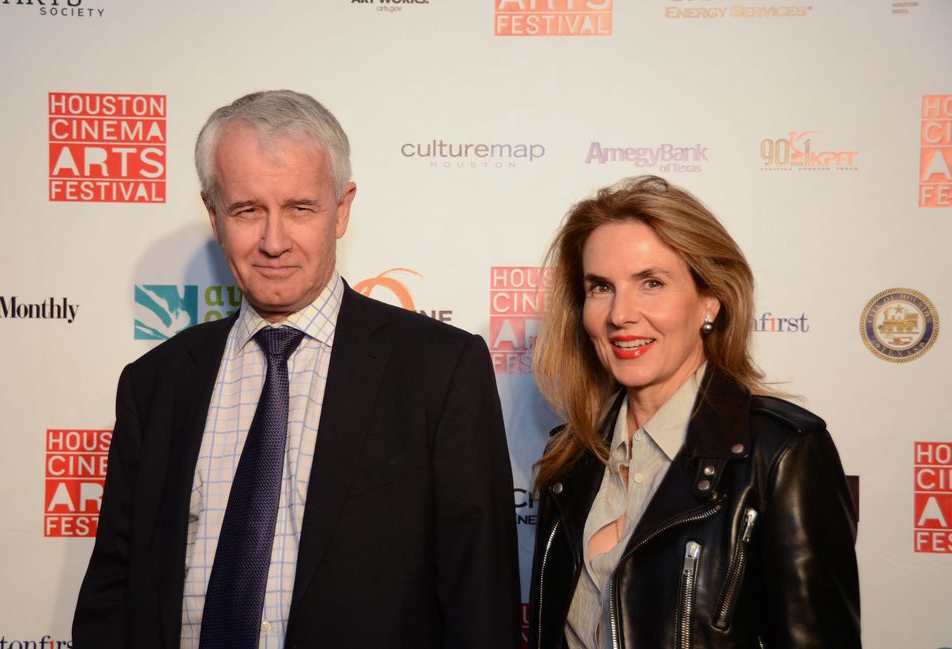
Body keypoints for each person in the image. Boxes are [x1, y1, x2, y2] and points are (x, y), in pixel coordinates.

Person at [73, 90, 520, 649]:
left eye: (299, 208)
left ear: (343, 208)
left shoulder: (440, 369)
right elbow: (113, 590)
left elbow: (481, 598)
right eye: (247, 210)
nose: (274, 242)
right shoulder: (157, 383)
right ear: (213, 214)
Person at [527, 176, 860, 649]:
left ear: (710, 300)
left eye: (651, 283)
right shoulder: (571, 453)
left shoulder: (780, 452)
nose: (620, 314)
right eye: (601, 287)